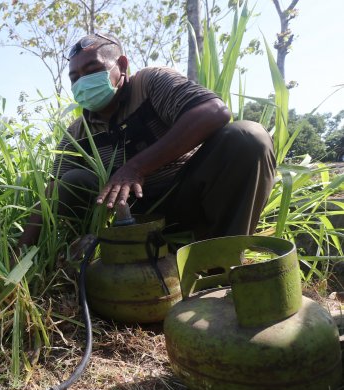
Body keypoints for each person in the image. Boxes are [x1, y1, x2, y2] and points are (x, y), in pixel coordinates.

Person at [18, 33, 276, 250]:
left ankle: (221, 256)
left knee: (248, 138)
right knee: (71, 181)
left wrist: (135, 167)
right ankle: (101, 249)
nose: (83, 81)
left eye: (93, 70)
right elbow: (51, 194)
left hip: (187, 193)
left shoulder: (150, 83)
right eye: (75, 77)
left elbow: (214, 112)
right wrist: (21, 253)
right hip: (130, 215)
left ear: (122, 65)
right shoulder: (77, 132)